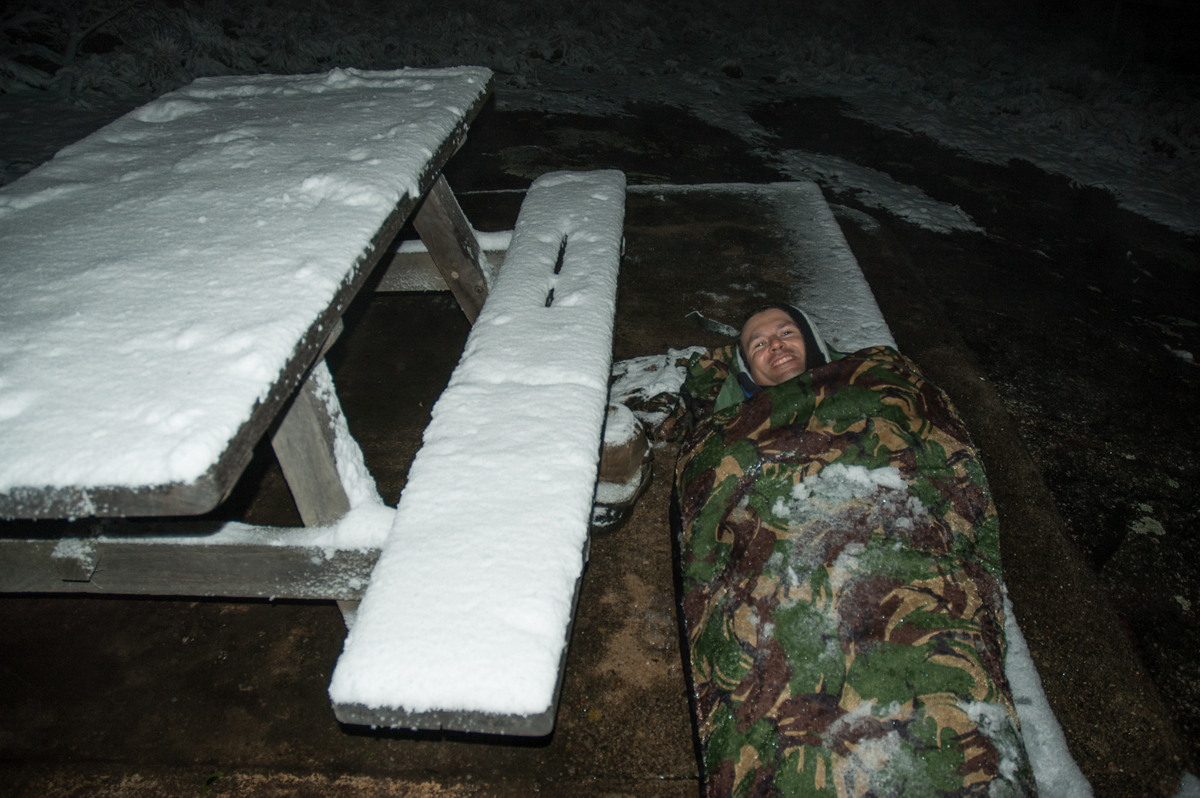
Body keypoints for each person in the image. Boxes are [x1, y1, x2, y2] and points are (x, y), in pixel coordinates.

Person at [669, 303, 1035, 796]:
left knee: (940, 670)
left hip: (895, 538)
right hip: (789, 560)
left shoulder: (880, 380)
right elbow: (709, 519)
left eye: (785, 332)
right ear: (745, 371)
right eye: (759, 343)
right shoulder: (730, 427)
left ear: (813, 343)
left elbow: (942, 459)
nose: (775, 344)